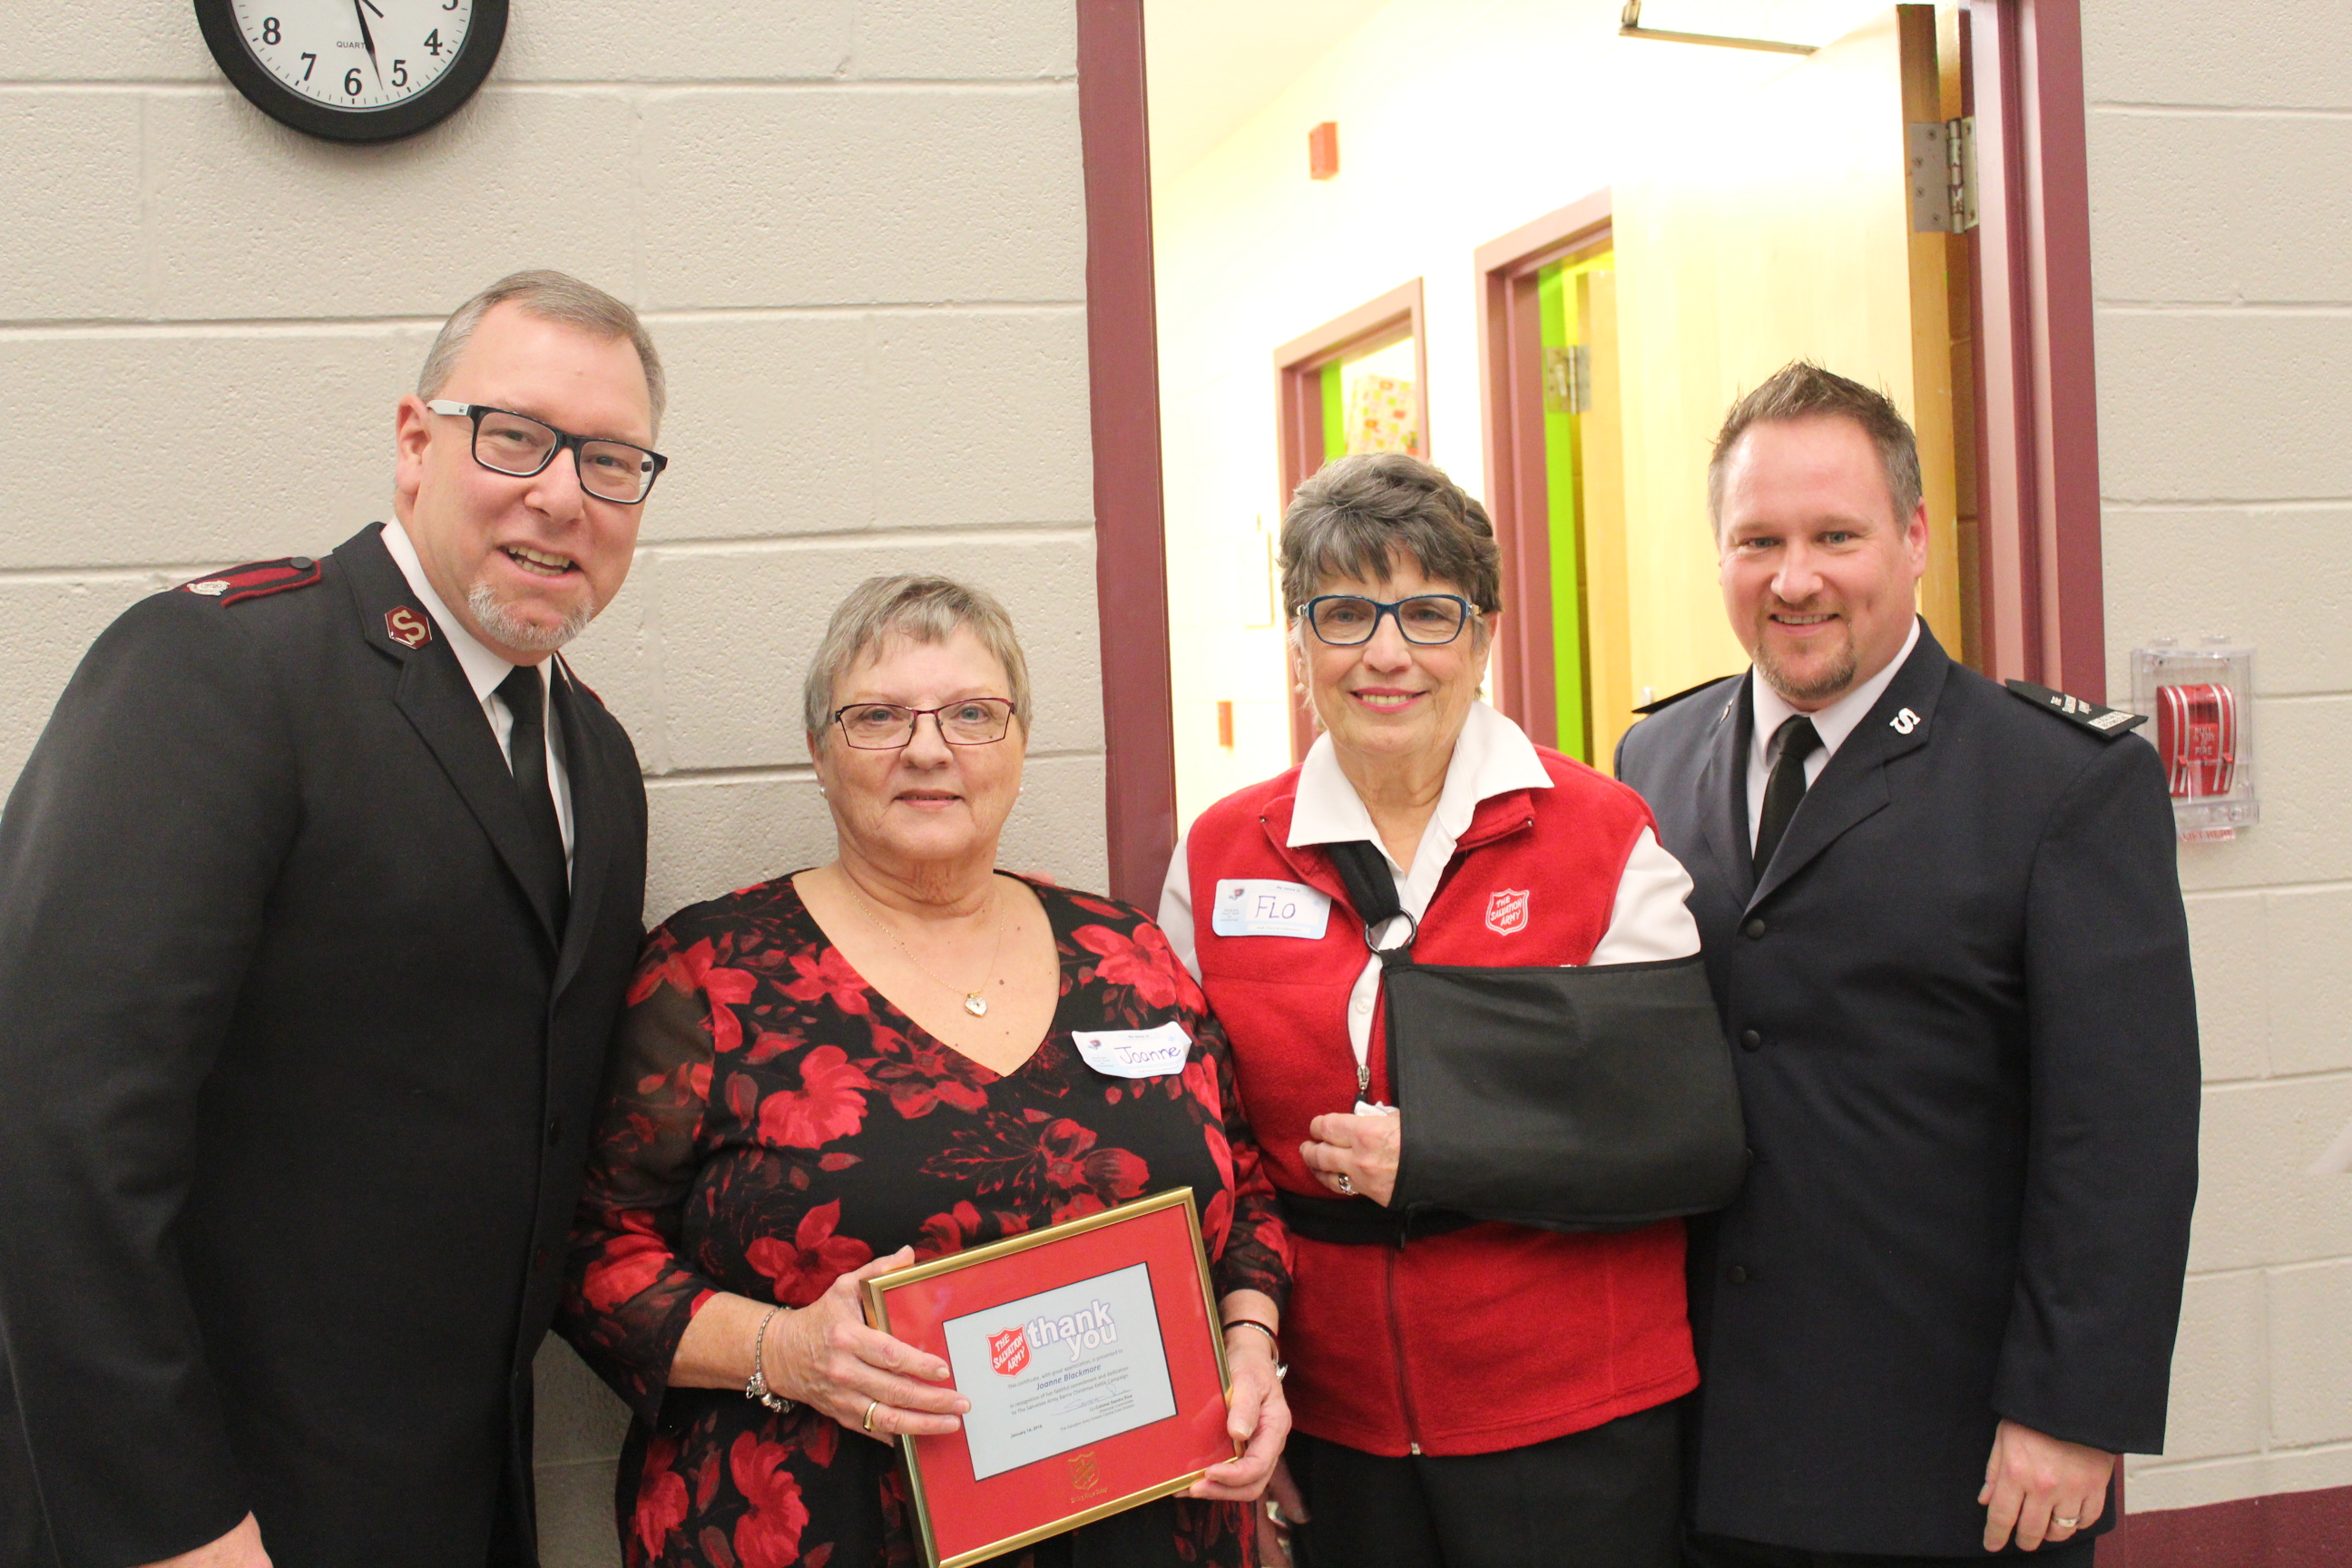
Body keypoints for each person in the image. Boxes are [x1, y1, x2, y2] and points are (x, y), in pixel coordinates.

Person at [0, 270, 663, 1568]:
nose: (561, 494)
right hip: (215, 1506)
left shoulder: (599, 757)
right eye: (515, 437)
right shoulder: (226, 670)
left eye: (612, 461)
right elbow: (50, 1130)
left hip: (450, 1499)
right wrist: (172, 1525)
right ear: (416, 443)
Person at [558, 574, 1292, 1568]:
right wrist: (789, 1354)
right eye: (877, 717)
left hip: (1150, 1523)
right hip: (829, 1524)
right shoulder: (711, 972)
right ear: (819, 752)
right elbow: (595, 1252)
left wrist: (1252, 1347)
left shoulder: (1127, 952)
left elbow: (1242, 1189)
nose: (930, 748)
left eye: (972, 714)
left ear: (1021, 745)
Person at [1613, 362, 2200, 1565]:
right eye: (1757, 539)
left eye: (1837, 534)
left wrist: (2073, 1409)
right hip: (1699, 1439)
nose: (1795, 577)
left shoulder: (2058, 783)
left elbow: (2122, 1135)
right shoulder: (1653, 758)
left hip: (1951, 1460)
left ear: (1916, 536)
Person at [1159, 453, 1707, 1568]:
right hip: (1330, 1425)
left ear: (1486, 632)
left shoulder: (1605, 838)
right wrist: (1238, 1394)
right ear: (1300, 638)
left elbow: (1676, 1132)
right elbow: (1195, 1158)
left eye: (1427, 613)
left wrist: (1451, 1147)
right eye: (1346, 613)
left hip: (1577, 1425)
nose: (1387, 653)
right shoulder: (1218, 858)